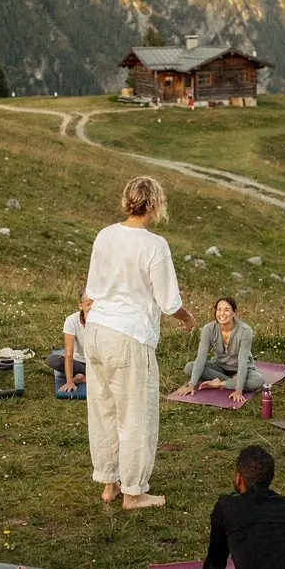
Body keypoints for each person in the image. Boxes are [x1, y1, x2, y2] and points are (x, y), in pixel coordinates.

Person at [84, 176, 195, 510]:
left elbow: (90, 291)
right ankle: (133, 491)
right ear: (156, 204)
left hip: (97, 331)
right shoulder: (154, 245)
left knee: (103, 410)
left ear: (127, 201)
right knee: (135, 416)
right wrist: (187, 318)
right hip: (129, 336)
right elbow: (168, 302)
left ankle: (109, 482)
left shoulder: (105, 235)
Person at [178, 296, 264, 403]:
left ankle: (220, 383)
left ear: (234, 313)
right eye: (219, 309)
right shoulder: (208, 329)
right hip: (219, 367)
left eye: (226, 310)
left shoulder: (245, 331)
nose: (222, 313)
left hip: (242, 369)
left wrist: (238, 390)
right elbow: (201, 357)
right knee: (189, 367)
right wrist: (191, 385)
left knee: (258, 381)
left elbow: (242, 362)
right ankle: (229, 381)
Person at [47, 293, 89, 393]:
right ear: (80, 306)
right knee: (53, 360)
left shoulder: (102, 322)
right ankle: (87, 377)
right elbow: (69, 353)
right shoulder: (72, 320)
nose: (92, 307)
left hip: (96, 364)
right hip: (78, 363)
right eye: (89, 304)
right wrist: (70, 382)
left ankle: (84, 378)